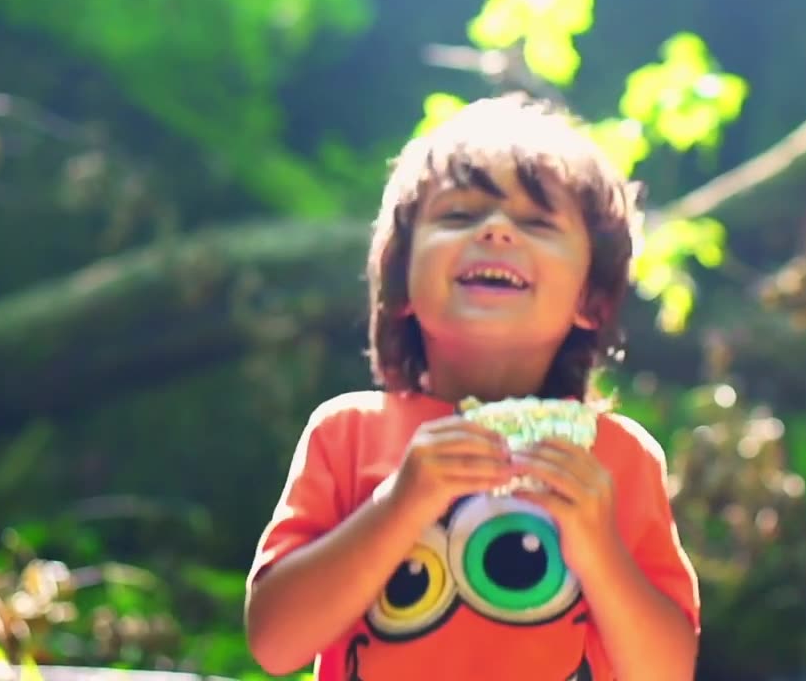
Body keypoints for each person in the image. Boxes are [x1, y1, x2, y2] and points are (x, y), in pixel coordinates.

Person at [244, 94, 700, 681]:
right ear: (402, 283)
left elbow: (666, 673)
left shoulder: (619, 460)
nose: (497, 231)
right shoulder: (347, 434)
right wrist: (400, 503)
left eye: (537, 223)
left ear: (590, 298)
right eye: (459, 216)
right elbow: (276, 645)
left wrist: (598, 548)